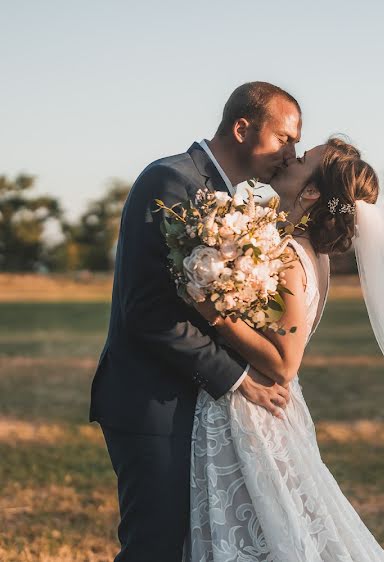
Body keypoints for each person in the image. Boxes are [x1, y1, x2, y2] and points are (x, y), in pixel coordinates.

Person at [90, 81, 303, 561]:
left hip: (194, 406)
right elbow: (147, 311)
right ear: (243, 128)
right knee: (155, 548)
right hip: (152, 403)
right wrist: (240, 378)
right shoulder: (172, 181)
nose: (293, 153)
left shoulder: (227, 199)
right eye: (285, 138)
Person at [185, 137, 384, 561]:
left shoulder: (292, 257)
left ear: (311, 192)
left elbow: (284, 362)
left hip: (252, 414)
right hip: (264, 410)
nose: (292, 158)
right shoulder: (303, 251)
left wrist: (212, 312)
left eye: (304, 159)